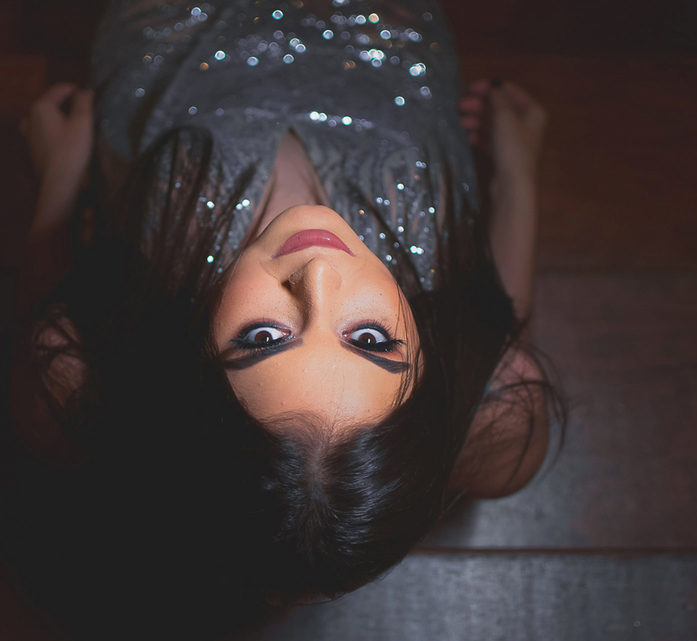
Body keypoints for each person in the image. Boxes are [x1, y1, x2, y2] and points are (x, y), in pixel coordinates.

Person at [4, 0, 566, 636]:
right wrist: (517, 179)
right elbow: (497, 330)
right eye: (369, 338)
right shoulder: (496, 421)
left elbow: (44, 338)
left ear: (190, 371)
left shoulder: (85, 379)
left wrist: (58, 180)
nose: (320, 276)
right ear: (431, 369)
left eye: (264, 337)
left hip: (175, 42)